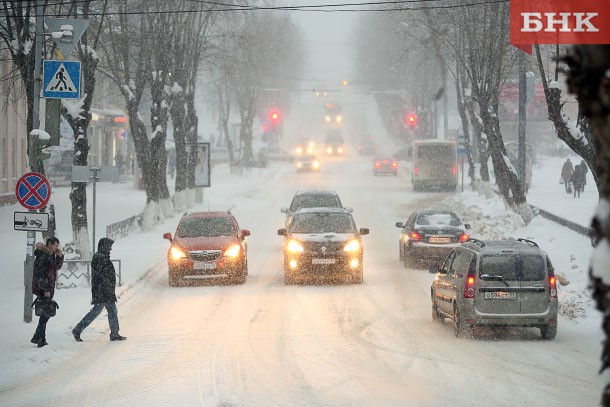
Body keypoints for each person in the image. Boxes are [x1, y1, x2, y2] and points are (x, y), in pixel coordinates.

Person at [72, 238, 126, 342]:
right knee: (97, 312)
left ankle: (114, 333)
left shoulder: (102, 257)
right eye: (109, 246)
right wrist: (107, 287)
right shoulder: (100, 257)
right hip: (103, 291)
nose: (110, 249)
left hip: (105, 290)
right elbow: (101, 276)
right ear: (104, 246)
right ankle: (78, 329)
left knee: (111, 311)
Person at [31, 237, 64, 348]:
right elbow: (40, 274)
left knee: (46, 313)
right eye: (55, 245)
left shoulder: (50, 255)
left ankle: (38, 337)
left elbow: (56, 266)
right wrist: (45, 290)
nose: (57, 247)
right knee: (45, 314)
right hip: (43, 288)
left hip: (47, 288)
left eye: (57, 245)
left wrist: (60, 256)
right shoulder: (44, 255)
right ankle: (40, 339)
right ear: (49, 244)